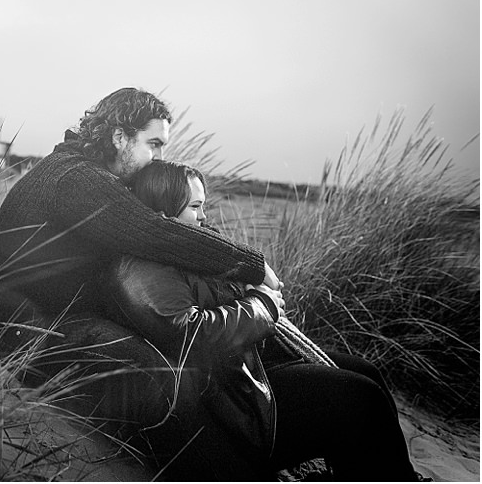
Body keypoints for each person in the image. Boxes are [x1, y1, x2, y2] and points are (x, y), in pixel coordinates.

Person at [0, 87, 284, 479]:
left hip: (43, 315)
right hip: (21, 328)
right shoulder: (76, 178)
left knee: (171, 363)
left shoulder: (78, 170)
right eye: (153, 144)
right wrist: (253, 266)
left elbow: (163, 231)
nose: (160, 157)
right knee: (164, 380)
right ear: (119, 137)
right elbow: (153, 232)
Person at [106, 159, 420, 481]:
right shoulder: (143, 268)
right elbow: (191, 338)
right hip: (232, 398)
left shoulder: (178, 252)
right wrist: (263, 304)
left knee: (367, 373)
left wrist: (248, 291)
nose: (203, 216)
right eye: (196, 207)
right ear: (164, 209)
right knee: (361, 399)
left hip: (247, 368)